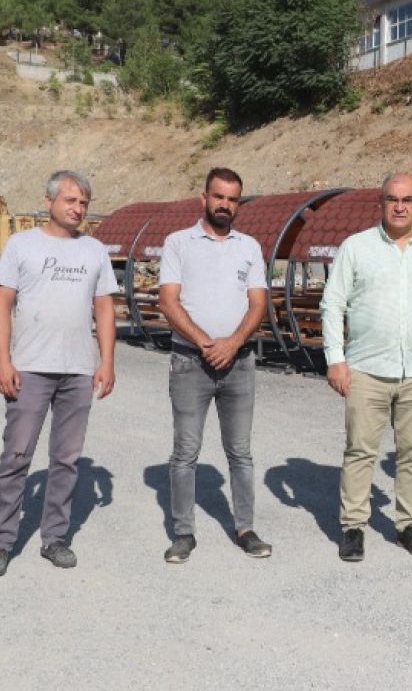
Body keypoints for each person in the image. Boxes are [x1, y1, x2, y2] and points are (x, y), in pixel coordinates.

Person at [0, 170, 118, 577]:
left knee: (67, 459)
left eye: (84, 203)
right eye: (70, 200)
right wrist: (3, 362)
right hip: (30, 369)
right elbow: (2, 305)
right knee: (16, 456)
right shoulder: (22, 245)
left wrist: (106, 361)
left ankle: (54, 537)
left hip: (77, 370)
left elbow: (104, 308)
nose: (78, 209)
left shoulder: (94, 250)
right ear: (49, 201)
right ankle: (1, 542)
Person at [321, 172, 412, 562]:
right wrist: (335, 359)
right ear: (380, 203)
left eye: (407, 200)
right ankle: (353, 527)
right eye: (392, 199)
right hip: (366, 369)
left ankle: (408, 525)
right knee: (360, 451)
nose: (399, 207)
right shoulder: (356, 248)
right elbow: (332, 304)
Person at [157, 167, 271, 563]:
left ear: (239, 204)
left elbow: (258, 303)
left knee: (240, 452)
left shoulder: (249, 247)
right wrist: (206, 343)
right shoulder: (178, 243)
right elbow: (168, 301)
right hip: (190, 361)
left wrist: (233, 343)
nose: (225, 204)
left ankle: (245, 529)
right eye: (218, 196)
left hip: (239, 363)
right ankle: (183, 533)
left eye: (232, 199)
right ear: (203, 198)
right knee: (185, 452)